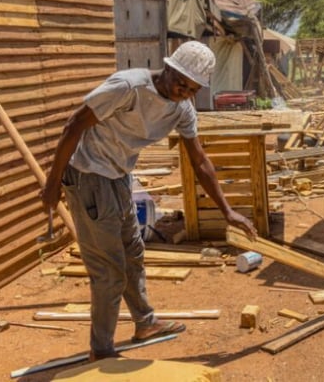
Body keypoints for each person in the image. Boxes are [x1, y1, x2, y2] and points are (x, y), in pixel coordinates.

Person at [41, 40, 257, 362]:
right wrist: (53, 182)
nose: (183, 92)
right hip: (89, 176)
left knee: (133, 252)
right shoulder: (128, 87)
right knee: (109, 269)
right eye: (180, 83)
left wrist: (227, 211)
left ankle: (145, 323)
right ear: (167, 68)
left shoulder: (182, 109)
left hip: (119, 176)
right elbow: (74, 125)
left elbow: (199, 161)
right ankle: (101, 349)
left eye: (192, 89)